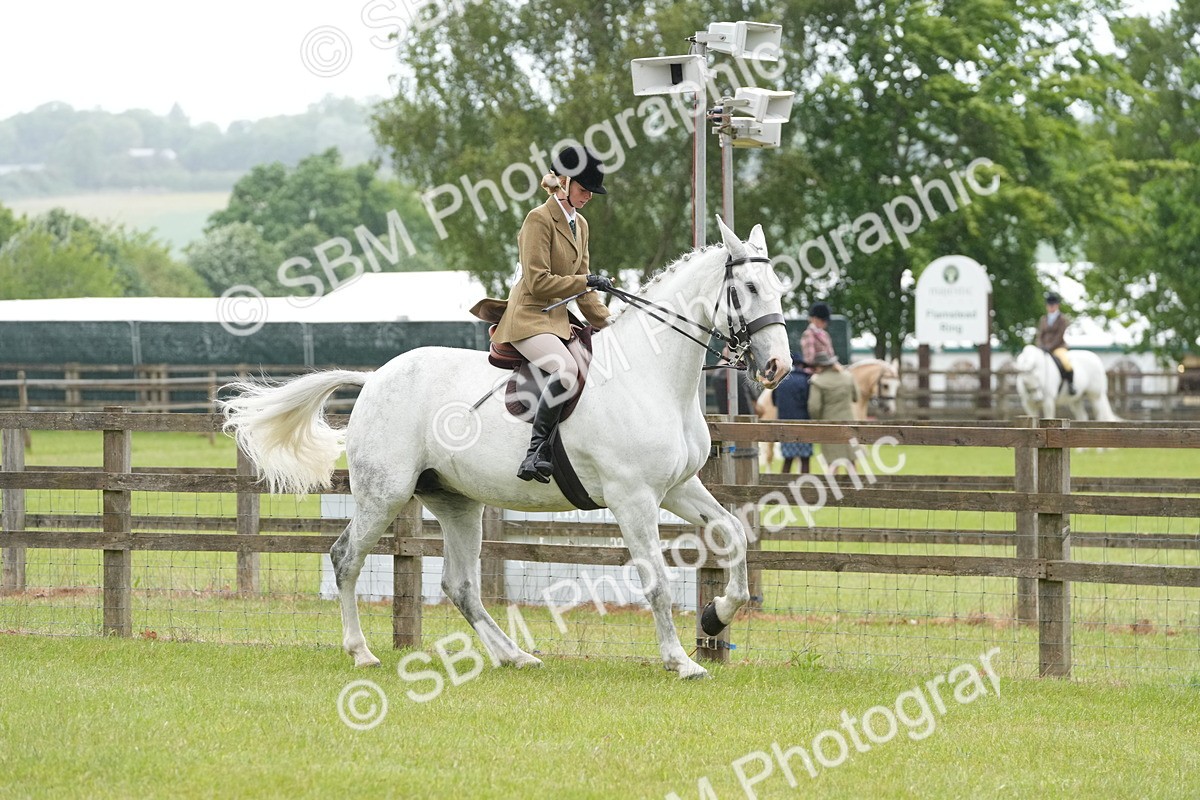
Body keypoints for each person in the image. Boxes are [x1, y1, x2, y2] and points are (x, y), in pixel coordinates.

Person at [479, 145, 615, 482]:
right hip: (527, 317)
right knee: (566, 369)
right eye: (584, 190)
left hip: (556, 320)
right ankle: (535, 451)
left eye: (591, 192)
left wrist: (611, 323)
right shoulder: (538, 219)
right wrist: (586, 280)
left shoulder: (580, 225)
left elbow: (584, 294)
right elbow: (539, 283)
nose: (587, 197)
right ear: (565, 182)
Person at [807, 352, 859, 474]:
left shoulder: (818, 382)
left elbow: (814, 407)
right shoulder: (848, 377)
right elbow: (856, 397)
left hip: (829, 424)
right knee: (851, 460)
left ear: (820, 366)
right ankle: (855, 490)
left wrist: (817, 420)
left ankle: (832, 491)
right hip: (849, 422)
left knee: (832, 461)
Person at [770, 353, 812, 474]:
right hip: (804, 423)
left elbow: (774, 401)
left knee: (788, 459)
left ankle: (784, 484)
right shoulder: (806, 380)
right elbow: (809, 401)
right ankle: (805, 486)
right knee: (805, 459)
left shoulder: (780, 381)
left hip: (785, 422)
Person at [1037, 291, 1074, 395]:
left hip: (1058, 347)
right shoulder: (1044, 319)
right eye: (1049, 305)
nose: (1051, 307)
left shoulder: (1062, 319)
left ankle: (1071, 385)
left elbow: (1059, 336)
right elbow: (1040, 335)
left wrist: (1049, 347)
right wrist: (1040, 345)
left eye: (1053, 305)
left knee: (1066, 363)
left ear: (1057, 306)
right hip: (1044, 348)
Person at [800, 301, 836, 374]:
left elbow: (831, 354)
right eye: (822, 320)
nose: (825, 323)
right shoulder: (808, 334)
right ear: (814, 319)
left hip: (828, 369)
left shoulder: (825, 334)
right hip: (814, 372)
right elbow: (809, 359)